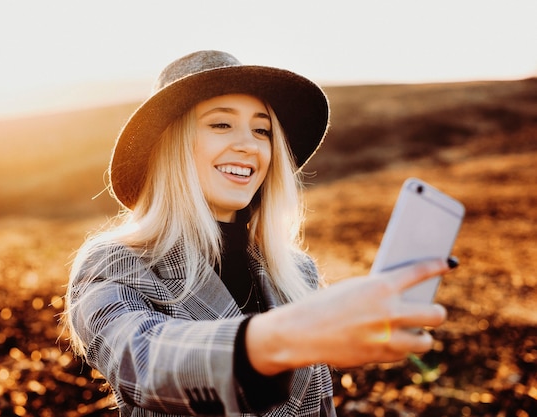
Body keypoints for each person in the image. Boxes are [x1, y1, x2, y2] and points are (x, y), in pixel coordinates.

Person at [64, 50, 453, 416]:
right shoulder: (117, 262)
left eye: (262, 131)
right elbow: (142, 361)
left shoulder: (298, 272)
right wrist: (287, 337)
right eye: (221, 123)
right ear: (169, 146)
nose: (249, 145)